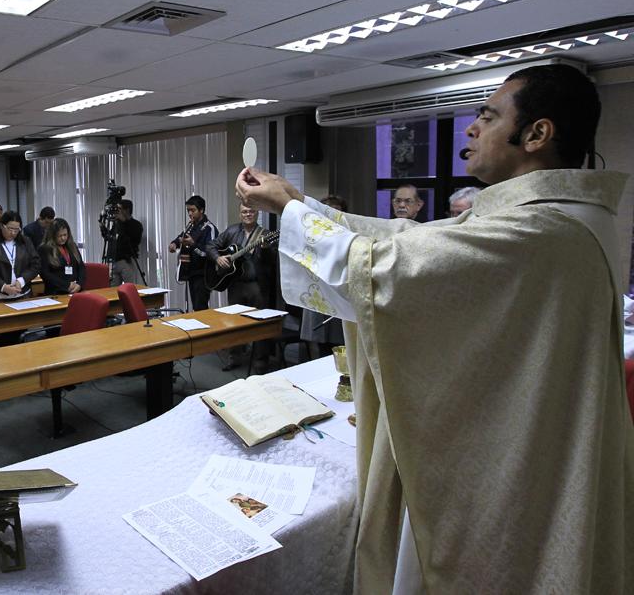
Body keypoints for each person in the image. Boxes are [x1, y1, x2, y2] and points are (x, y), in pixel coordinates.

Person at [235, 64, 633, 593]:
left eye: (488, 116)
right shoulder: (565, 215)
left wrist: (287, 209)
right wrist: (299, 204)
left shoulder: (544, 226)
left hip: (514, 458)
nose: (472, 127)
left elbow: (386, 268)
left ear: (537, 133)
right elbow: (410, 239)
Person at [205, 204, 275, 371]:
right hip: (235, 284)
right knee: (234, 322)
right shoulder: (232, 231)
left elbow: (272, 262)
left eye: (251, 211)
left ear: (257, 213)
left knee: (260, 324)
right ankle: (234, 357)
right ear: (240, 214)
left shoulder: (265, 234)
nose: (248, 214)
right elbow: (210, 246)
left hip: (257, 286)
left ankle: (260, 361)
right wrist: (218, 258)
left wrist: (265, 249)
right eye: (244, 211)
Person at [299, 195, 347, 359]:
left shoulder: (348, 237)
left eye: (336, 212)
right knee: (316, 344)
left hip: (338, 296)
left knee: (339, 345)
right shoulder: (310, 236)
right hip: (316, 294)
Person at [168, 195, 217, 311]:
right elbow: (181, 237)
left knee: (200, 307)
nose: (190, 213)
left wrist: (193, 244)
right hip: (191, 272)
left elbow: (210, 253)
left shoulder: (209, 228)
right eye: (188, 210)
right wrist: (174, 244)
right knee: (195, 307)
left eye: (193, 210)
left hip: (203, 274)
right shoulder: (191, 225)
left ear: (201, 210)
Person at [0, 210, 40, 301]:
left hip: (23, 294)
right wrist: (3, 286)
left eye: (16, 229)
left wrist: (21, 280)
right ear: (1, 226)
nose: (13, 233)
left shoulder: (25, 242)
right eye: (10, 229)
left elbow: (36, 265)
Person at [39, 218, 85, 295]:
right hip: (56, 292)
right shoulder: (44, 249)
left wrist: (79, 284)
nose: (63, 238)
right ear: (52, 236)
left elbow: (81, 266)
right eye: (59, 236)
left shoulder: (72, 246)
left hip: (75, 290)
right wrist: (67, 285)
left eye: (65, 235)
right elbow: (45, 274)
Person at [108, 199, 144, 286]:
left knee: (130, 287)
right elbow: (110, 239)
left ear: (127, 210)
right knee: (113, 289)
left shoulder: (136, 225)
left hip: (127, 261)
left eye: (119, 208)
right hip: (114, 261)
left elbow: (133, 241)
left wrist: (124, 222)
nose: (117, 211)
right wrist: (102, 228)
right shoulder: (117, 224)